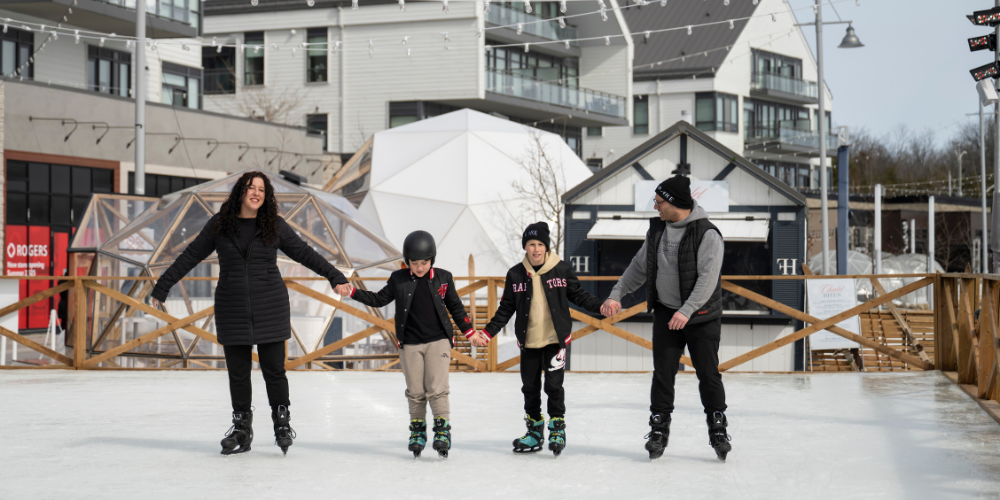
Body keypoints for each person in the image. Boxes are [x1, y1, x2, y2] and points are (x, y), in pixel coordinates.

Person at [150, 171, 352, 456]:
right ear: (240, 192)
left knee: (274, 371)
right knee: (238, 374)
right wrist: (163, 286)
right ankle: (242, 428)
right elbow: (191, 255)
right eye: (250, 188)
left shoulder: (274, 226)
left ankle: (281, 423)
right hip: (232, 308)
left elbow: (306, 254)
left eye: (261, 189)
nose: (256, 193)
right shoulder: (220, 225)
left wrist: (335, 276)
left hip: (270, 305)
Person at [600, 175, 732, 462]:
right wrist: (616, 293)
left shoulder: (707, 234)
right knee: (663, 374)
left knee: (708, 374)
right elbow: (639, 267)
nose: (655, 207)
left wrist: (687, 311)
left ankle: (717, 427)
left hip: (701, 317)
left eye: (659, 202)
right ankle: (659, 429)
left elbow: (708, 280)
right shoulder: (657, 231)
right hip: (665, 313)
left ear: (673, 203)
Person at [471, 222, 603, 457]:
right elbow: (506, 308)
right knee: (529, 388)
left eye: (540, 244)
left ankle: (556, 428)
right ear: (525, 247)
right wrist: (488, 332)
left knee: (553, 386)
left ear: (546, 246)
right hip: (529, 341)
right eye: (531, 244)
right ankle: (534, 430)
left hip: (555, 340)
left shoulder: (561, 269)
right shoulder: (515, 274)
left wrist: (601, 306)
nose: (536, 249)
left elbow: (579, 295)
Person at [347, 230, 474, 458]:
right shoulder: (399, 279)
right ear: (407, 262)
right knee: (415, 391)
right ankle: (417, 432)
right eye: (414, 263)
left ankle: (442, 430)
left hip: (438, 341)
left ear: (432, 259)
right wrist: (353, 292)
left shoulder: (443, 278)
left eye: (424, 262)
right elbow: (379, 299)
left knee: (437, 389)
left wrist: (469, 331)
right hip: (410, 343)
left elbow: (455, 307)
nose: (419, 267)